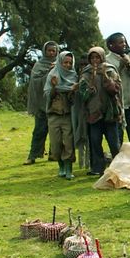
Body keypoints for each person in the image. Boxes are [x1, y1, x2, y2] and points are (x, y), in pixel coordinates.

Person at [80, 46, 123, 176]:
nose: (95, 60)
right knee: (95, 140)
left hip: (110, 113)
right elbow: (82, 95)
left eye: (97, 57)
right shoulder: (86, 73)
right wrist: (89, 89)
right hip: (94, 113)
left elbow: (116, 89)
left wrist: (105, 78)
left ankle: (118, 168)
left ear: (102, 57)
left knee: (114, 142)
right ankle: (98, 168)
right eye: (92, 57)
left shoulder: (110, 70)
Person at [106, 32, 130, 154]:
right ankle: (119, 159)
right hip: (117, 104)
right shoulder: (107, 60)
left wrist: (129, 66)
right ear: (111, 45)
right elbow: (109, 80)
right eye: (120, 42)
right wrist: (121, 66)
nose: (124, 44)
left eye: (124, 41)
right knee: (118, 134)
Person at [44, 51, 80, 179]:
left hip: (68, 116)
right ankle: (61, 167)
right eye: (65, 62)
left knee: (69, 143)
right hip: (54, 115)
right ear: (60, 62)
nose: (68, 65)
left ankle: (69, 169)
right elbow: (48, 95)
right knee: (56, 144)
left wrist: (74, 91)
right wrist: (54, 87)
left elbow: (74, 100)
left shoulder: (74, 76)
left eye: (70, 63)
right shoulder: (52, 75)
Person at [24, 41, 58, 165]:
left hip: (56, 104)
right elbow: (35, 82)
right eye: (49, 50)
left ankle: (54, 154)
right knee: (39, 130)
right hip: (41, 105)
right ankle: (33, 155)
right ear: (44, 51)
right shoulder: (38, 65)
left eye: (53, 51)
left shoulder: (61, 64)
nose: (51, 53)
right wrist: (48, 73)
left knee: (56, 131)